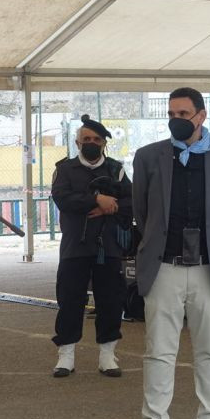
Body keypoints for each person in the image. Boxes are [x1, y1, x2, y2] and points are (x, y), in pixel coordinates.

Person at [131, 87, 210, 419]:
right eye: (171, 113)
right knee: (159, 351)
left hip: (209, 268)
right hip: (164, 266)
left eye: (183, 113)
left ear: (201, 115)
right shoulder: (149, 157)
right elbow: (142, 213)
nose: (176, 120)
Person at [51, 115, 132, 378]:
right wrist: (97, 200)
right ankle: (66, 355)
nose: (91, 143)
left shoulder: (116, 169)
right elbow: (63, 198)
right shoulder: (64, 169)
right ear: (77, 142)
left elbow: (132, 201)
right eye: (86, 139)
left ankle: (107, 355)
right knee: (70, 299)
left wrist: (114, 206)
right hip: (76, 246)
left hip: (108, 247)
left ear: (104, 143)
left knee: (110, 300)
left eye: (97, 139)